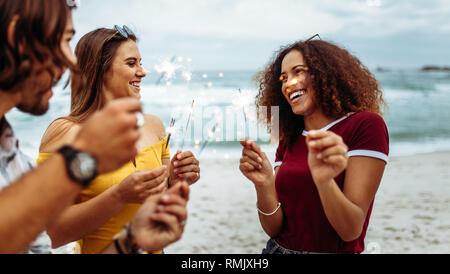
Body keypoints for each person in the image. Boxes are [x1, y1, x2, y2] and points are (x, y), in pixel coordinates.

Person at [0, 0, 188, 254]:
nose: (71, 63)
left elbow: (35, 241)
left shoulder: (11, 154)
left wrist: (131, 241)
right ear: (17, 37)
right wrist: (86, 162)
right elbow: (48, 232)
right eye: (63, 42)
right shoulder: (65, 133)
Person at [37, 26, 201, 254]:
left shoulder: (154, 126)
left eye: (140, 63)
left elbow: (159, 206)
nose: (142, 72)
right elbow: (48, 235)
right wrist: (119, 195)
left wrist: (175, 179)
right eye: (131, 63)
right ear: (101, 69)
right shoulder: (65, 133)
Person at [239, 36, 389, 254]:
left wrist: (324, 181)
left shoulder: (365, 125)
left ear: (326, 72)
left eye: (298, 71)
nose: (288, 83)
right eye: (283, 77)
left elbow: (350, 230)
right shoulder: (289, 136)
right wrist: (263, 184)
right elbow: (275, 229)